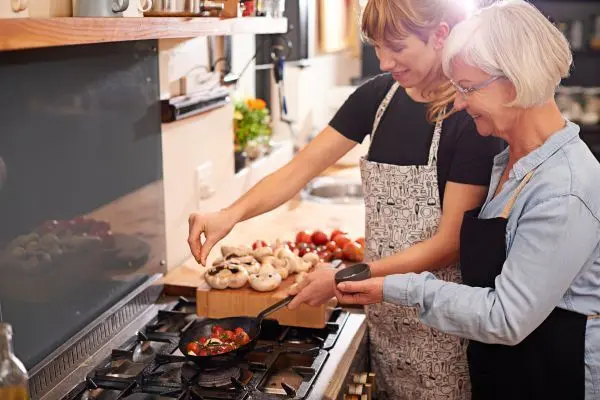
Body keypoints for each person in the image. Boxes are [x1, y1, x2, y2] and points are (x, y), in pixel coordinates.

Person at [188, 0, 504, 398]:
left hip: (441, 321)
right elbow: (298, 170)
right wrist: (229, 214)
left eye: (398, 48)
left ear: (440, 35)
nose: (385, 61)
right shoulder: (378, 98)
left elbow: (448, 244)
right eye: (376, 47)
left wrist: (345, 276)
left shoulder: (470, 117)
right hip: (383, 316)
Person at [334, 1, 600, 399]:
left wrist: (395, 287)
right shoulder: (511, 161)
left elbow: (506, 317)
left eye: (467, 88)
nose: (457, 102)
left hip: (553, 377)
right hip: (511, 369)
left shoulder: (562, 189)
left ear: (512, 83)